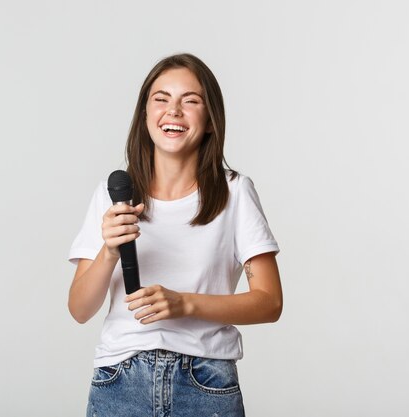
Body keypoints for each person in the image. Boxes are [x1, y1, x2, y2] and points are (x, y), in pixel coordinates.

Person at [68, 53, 283, 417]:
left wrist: (186, 304)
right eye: (161, 99)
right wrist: (108, 251)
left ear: (211, 119)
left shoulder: (235, 193)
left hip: (206, 383)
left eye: (191, 101)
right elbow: (79, 309)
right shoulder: (112, 194)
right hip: (120, 382)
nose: (174, 111)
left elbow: (269, 302)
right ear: (145, 115)